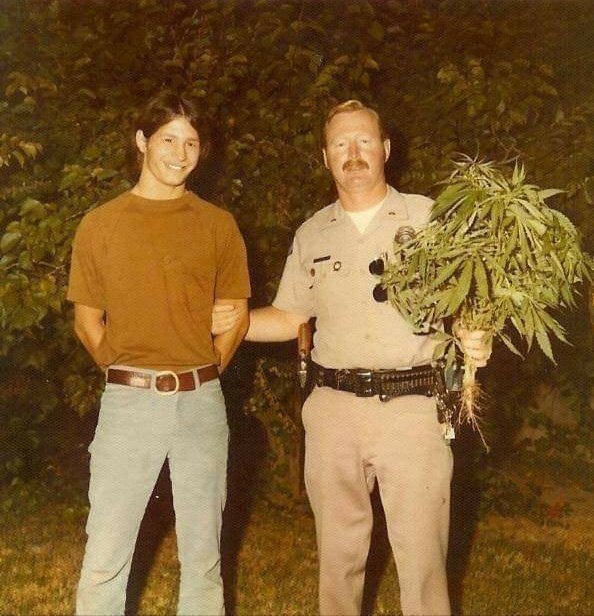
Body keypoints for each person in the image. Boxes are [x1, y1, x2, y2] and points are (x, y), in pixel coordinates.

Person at [213, 100, 490, 616]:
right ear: (325, 158)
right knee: (337, 560)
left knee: (423, 560)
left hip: (414, 408)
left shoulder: (429, 218)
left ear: (385, 149)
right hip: (332, 410)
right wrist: (230, 320)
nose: (353, 153)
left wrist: (477, 332)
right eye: (340, 144)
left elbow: (473, 295)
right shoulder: (312, 232)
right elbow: (290, 314)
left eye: (364, 140)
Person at [67, 92, 250, 616]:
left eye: (191, 142)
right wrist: (127, 371)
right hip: (129, 404)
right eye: (168, 138)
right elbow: (87, 321)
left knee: (204, 556)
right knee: (105, 553)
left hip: (201, 404)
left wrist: (204, 370)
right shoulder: (101, 224)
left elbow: (235, 312)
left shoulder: (218, 224)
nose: (180, 152)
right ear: (143, 141)